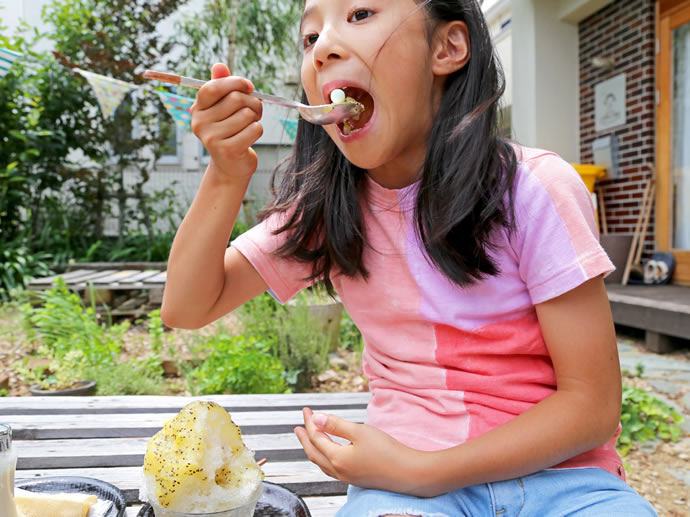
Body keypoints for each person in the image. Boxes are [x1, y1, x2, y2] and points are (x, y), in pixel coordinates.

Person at [161, 0, 658, 515]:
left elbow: (593, 405)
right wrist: (225, 171)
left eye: (359, 15)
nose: (324, 48)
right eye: (310, 38)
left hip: (566, 482)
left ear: (447, 47)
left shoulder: (534, 189)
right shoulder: (329, 210)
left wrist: (422, 471)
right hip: (399, 489)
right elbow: (187, 306)